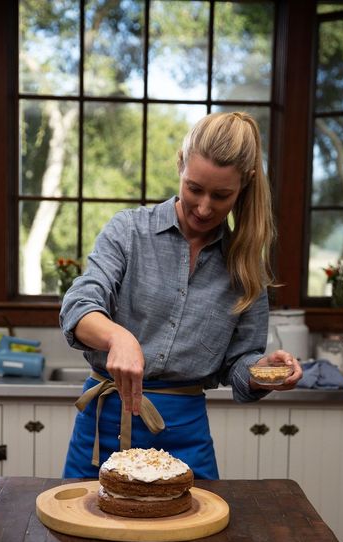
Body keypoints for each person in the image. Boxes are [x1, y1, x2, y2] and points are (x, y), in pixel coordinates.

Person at [59, 111, 303, 479]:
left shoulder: (247, 266)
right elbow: (79, 306)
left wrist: (262, 373)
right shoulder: (128, 232)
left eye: (221, 195)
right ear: (180, 166)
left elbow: (237, 367)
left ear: (245, 185)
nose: (204, 208)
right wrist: (118, 338)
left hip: (185, 438)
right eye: (194, 188)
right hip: (103, 430)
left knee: (200, 537)